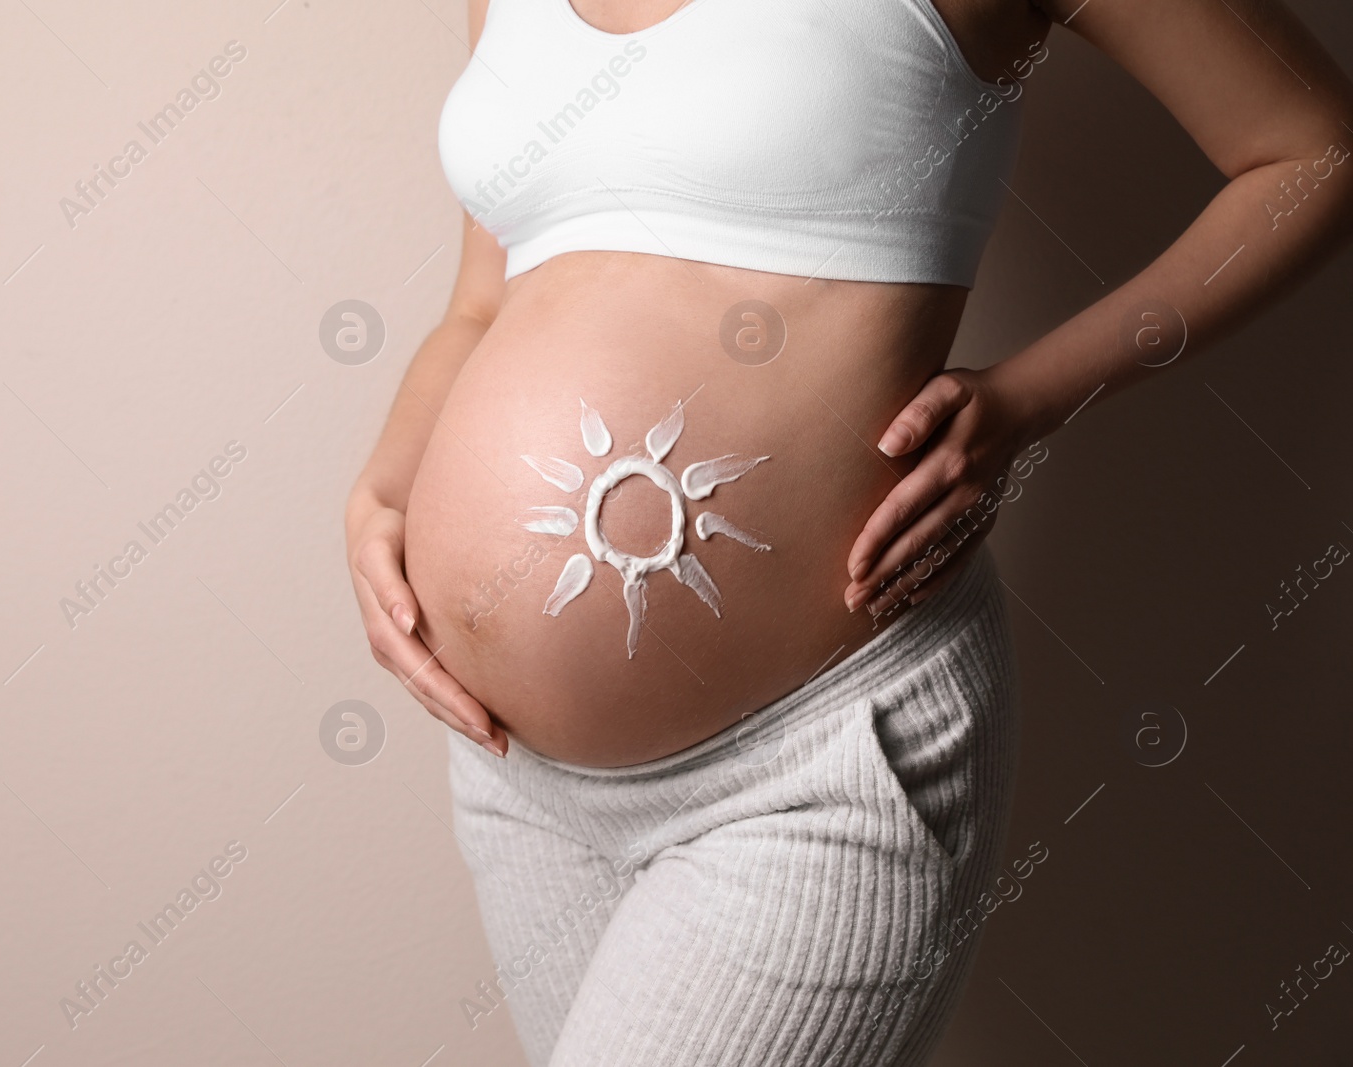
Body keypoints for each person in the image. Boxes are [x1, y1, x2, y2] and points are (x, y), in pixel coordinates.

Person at [345, 0, 1353, 1062]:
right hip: (516, 776)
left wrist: (1028, 399)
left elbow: (1313, 150)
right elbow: (476, 304)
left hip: (816, 762)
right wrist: (384, 485)